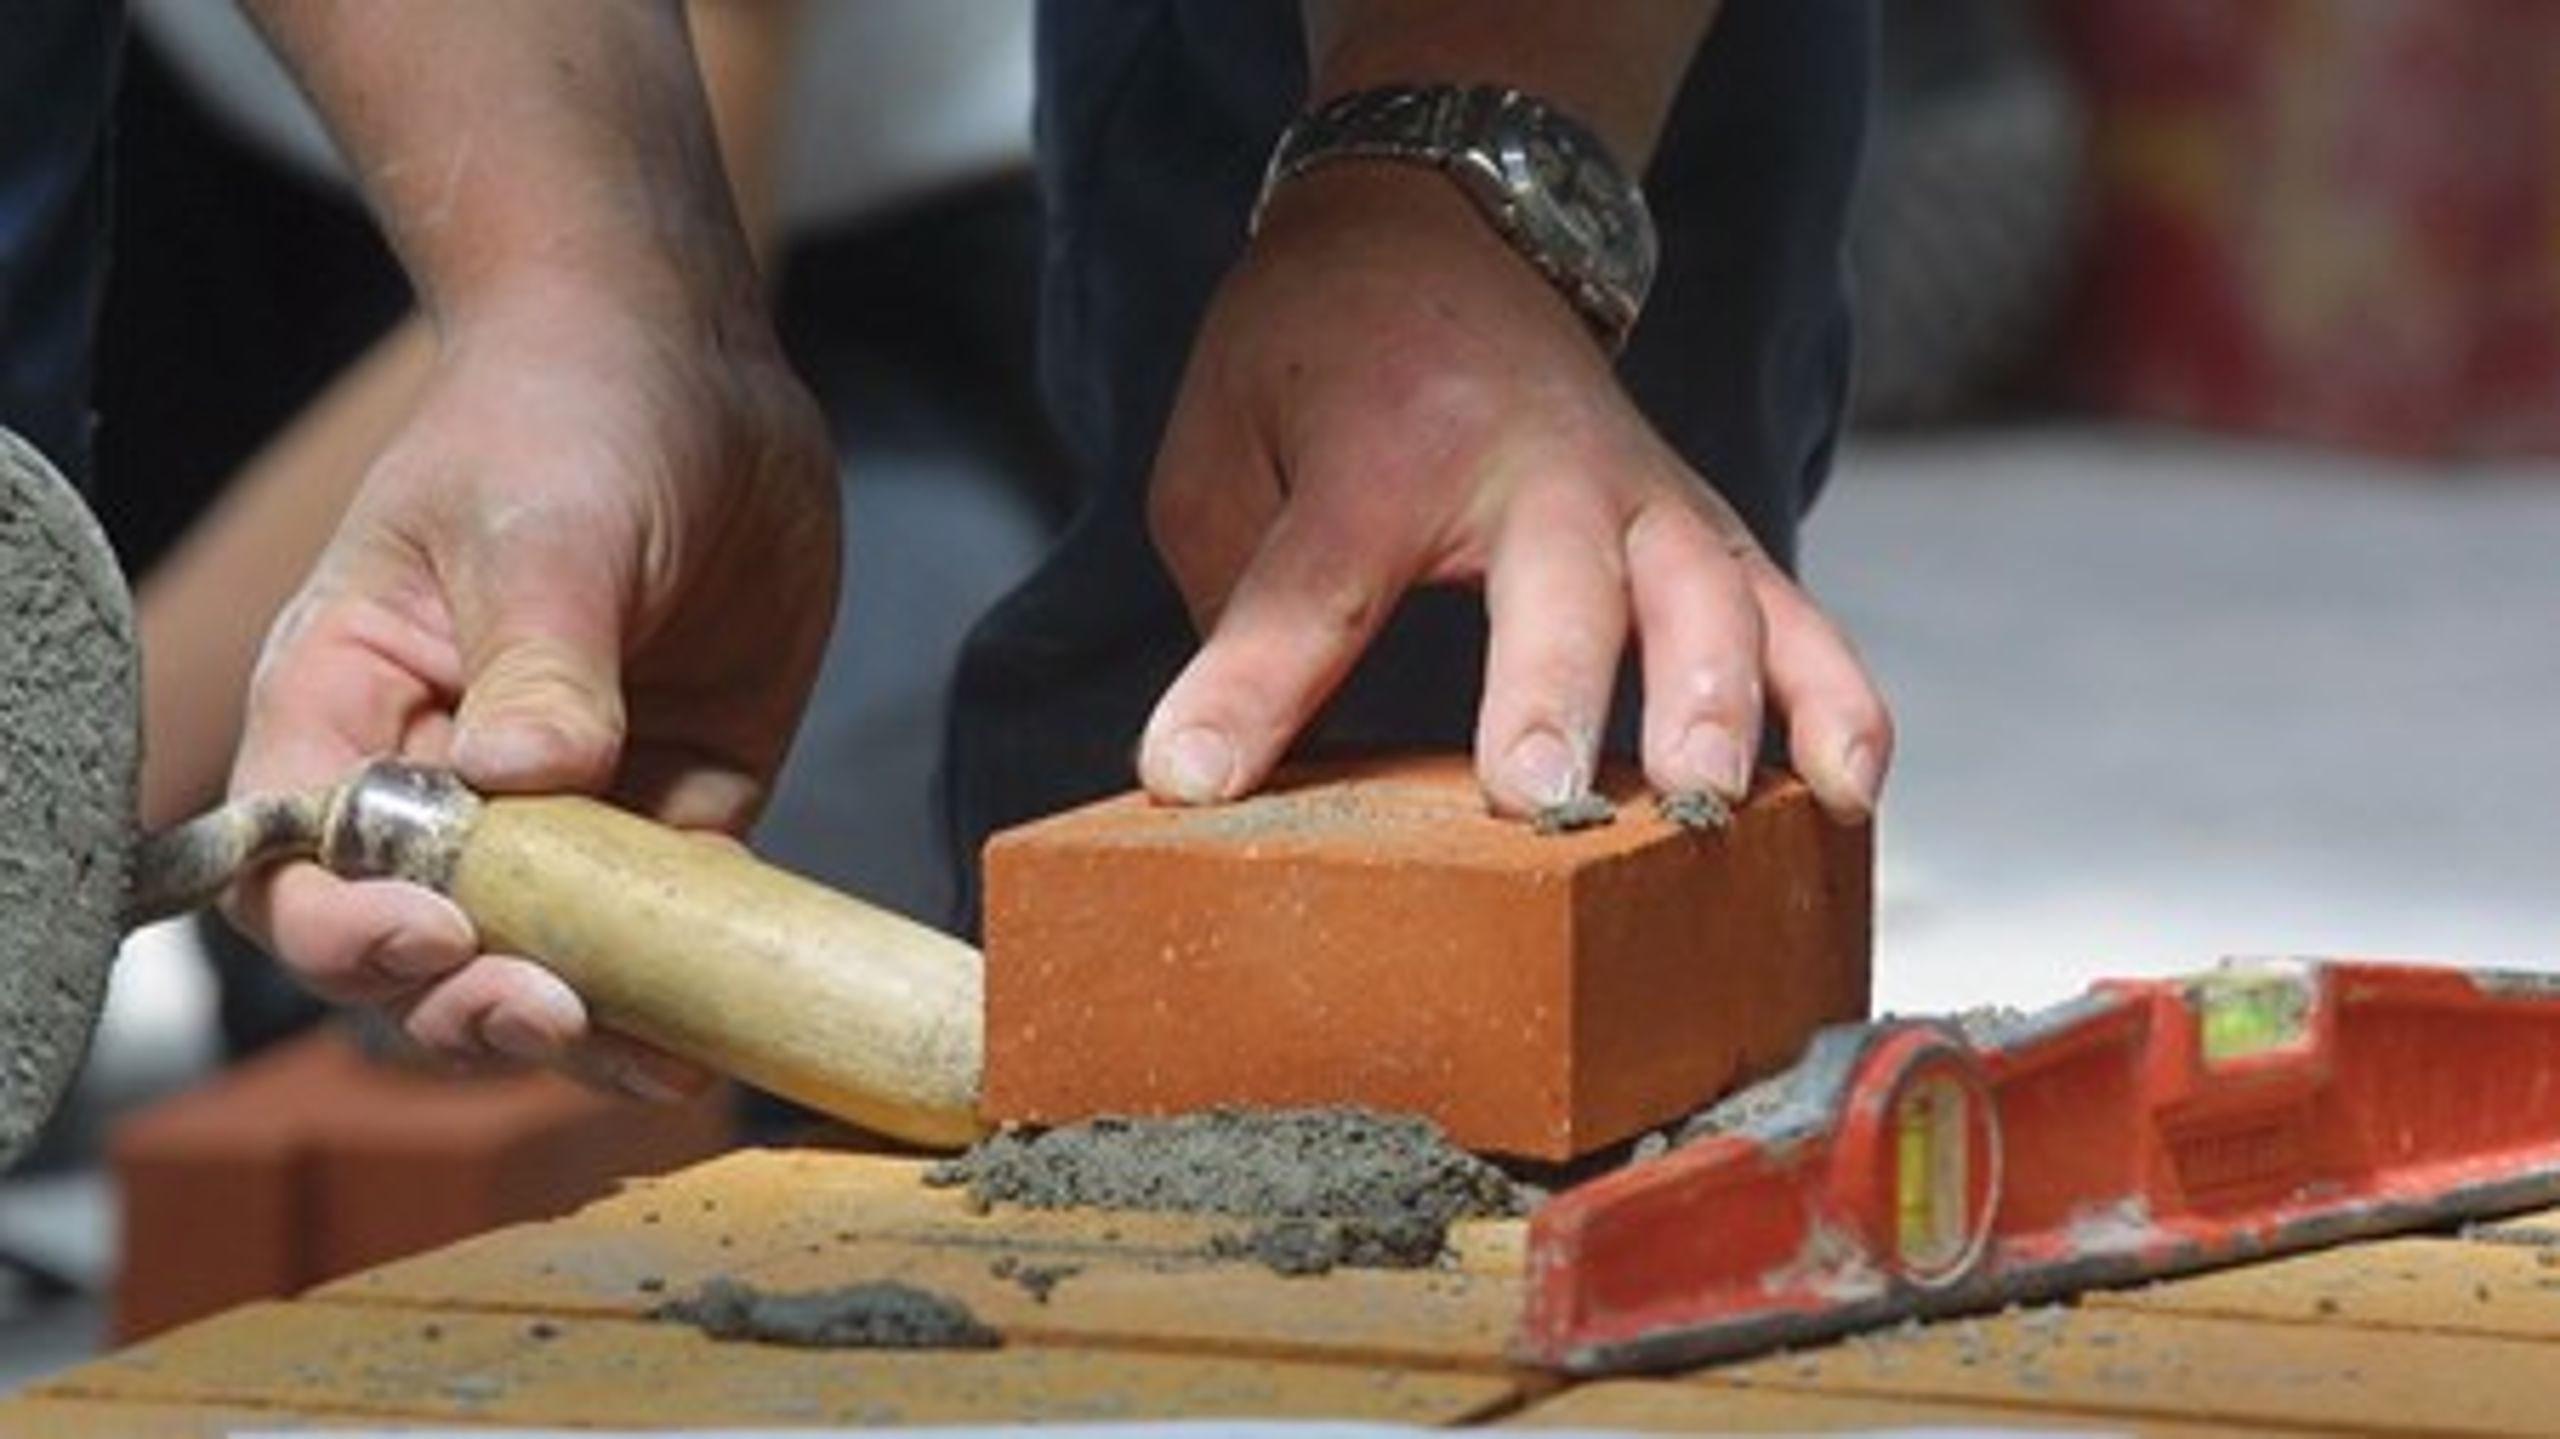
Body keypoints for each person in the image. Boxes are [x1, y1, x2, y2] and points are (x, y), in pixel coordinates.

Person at [11, 2, 1893, 1100]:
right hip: (269, 162)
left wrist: (1455, 194)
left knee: (1417, 736)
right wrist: (564, 292)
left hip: (918, 241)